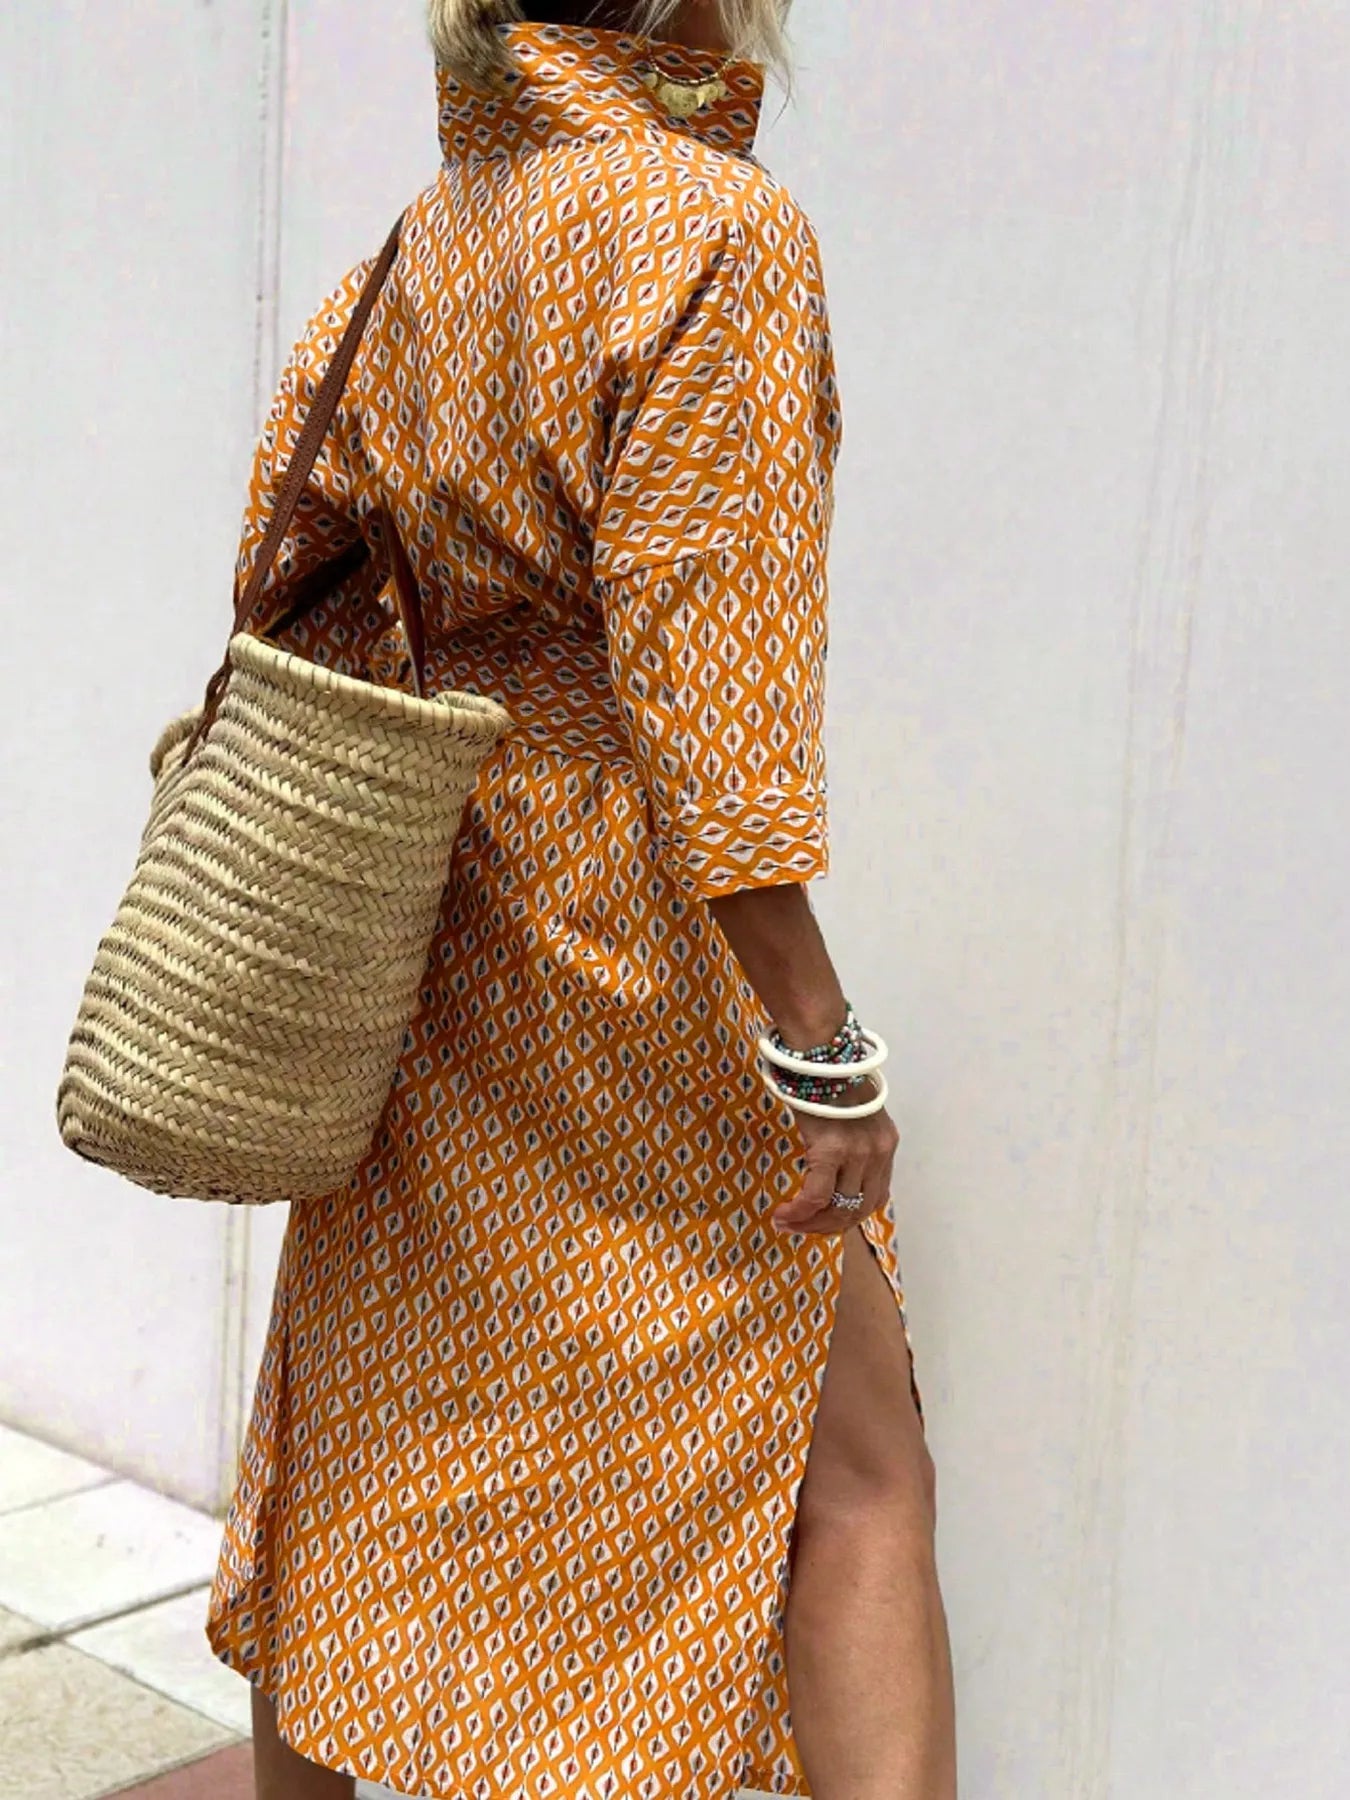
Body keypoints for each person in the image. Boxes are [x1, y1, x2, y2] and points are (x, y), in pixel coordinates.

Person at [204, 4, 957, 1796]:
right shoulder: (709, 223)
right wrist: (816, 1035)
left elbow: (279, 572)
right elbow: (713, 669)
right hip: (629, 924)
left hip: (434, 914)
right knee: (853, 1473)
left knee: (381, 1422)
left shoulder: (428, 237)